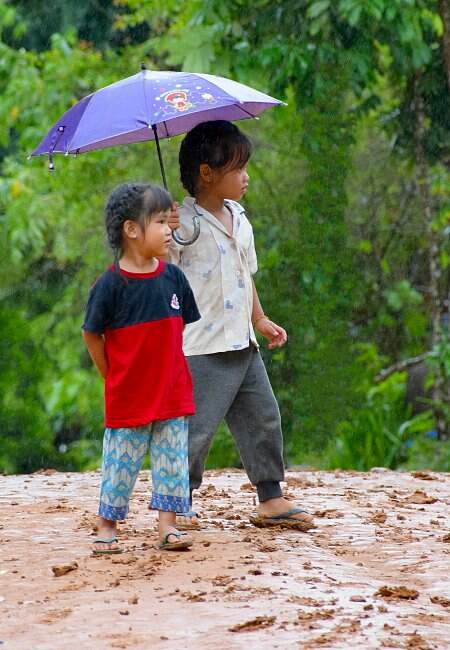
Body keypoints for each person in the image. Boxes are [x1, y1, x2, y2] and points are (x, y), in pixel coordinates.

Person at [168, 120, 315, 531]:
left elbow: (243, 274)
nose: (246, 177)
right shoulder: (182, 225)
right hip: (202, 347)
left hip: (242, 342)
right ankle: (177, 501)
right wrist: (166, 233)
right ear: (207, 173)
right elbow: (162, 275)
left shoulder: (240, 218)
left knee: (263, 418)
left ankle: (270, 497)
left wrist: (260, 318)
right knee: (195, 430)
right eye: (238, 168)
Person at [82, 182, 201, 554]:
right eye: (160, 222)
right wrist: (111, 375)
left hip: (171, 392)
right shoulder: (110, 285)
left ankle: (168, 526)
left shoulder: (173, 278)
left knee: (172, 463)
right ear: (131, 230)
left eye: (170, 222)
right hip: (128, 395)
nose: (170, 230)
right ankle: (107, 525)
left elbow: (179, 331)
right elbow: (91, 335)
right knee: (120, 464)